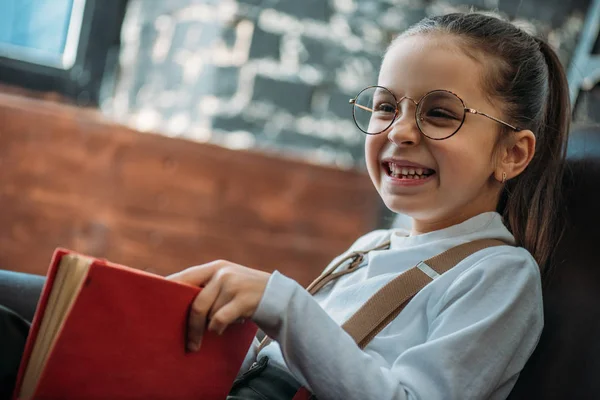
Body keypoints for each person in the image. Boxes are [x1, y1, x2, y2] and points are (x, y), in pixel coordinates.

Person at [168, 11, 570, 400]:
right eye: (385, 107)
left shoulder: (498, 275)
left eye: (441, 114)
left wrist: (285, 307)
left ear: (512, 154)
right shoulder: (370, 246)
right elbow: (284, 364)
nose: (400, 130)